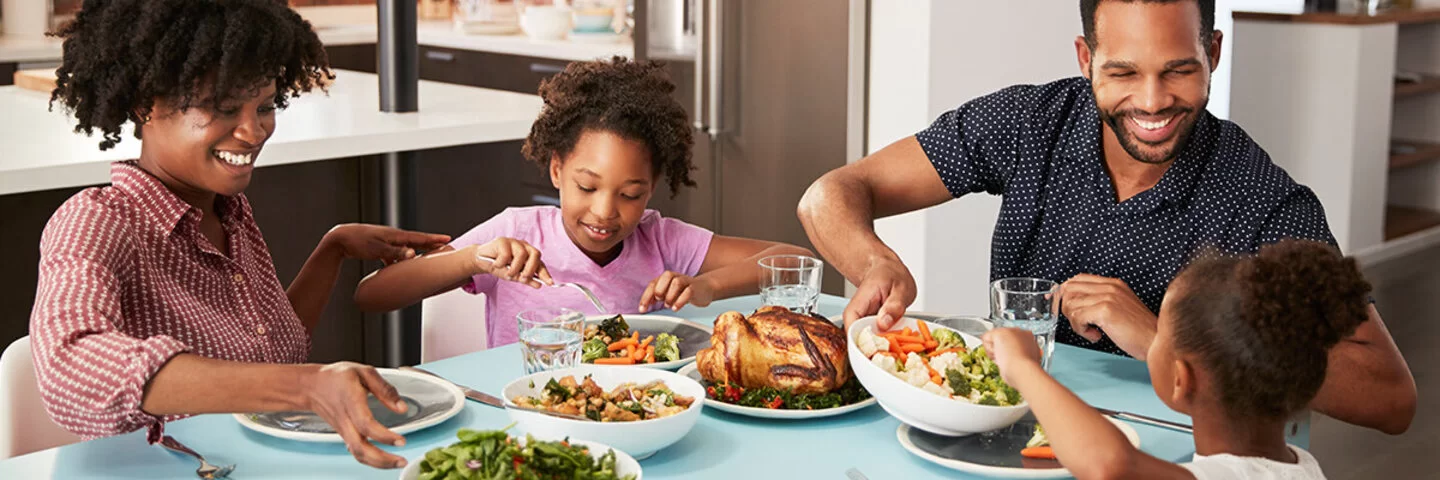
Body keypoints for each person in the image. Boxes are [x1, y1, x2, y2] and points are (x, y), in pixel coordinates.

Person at [796, 0, 1415, 434]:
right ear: (1085, 57)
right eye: (1123, 72)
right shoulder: (1029, 123)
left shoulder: (1260, 199)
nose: (1151, 101)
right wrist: (874, 261)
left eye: (1179, 69)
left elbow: (1389, 397)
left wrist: (1163, 339)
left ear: (1214, 53)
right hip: (1002, 431)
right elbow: (831, 193)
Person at [31, 0, 450, 469]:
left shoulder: (229, 212)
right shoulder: (97, 220)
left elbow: (269, 349)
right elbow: (69, 366)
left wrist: (333, 249)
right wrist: (305, 386)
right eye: (224, 108)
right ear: (145, 105)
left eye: (266, 106)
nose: (253, 132)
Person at [354, 57, 811, 348]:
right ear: (556, 170)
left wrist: (708, 287)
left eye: (630, 194)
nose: (605, 212)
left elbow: (798, 260)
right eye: (587, 187)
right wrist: (474, 259)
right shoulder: (518, 230)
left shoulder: (662, 240)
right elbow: (372, 294)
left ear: (651, 189)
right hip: (522, 415)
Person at [983, 239, 1368, 479]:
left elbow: (1110, 465)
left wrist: (1023, 368)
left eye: (1161, 335)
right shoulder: (1298, 465)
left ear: (1182, 379)